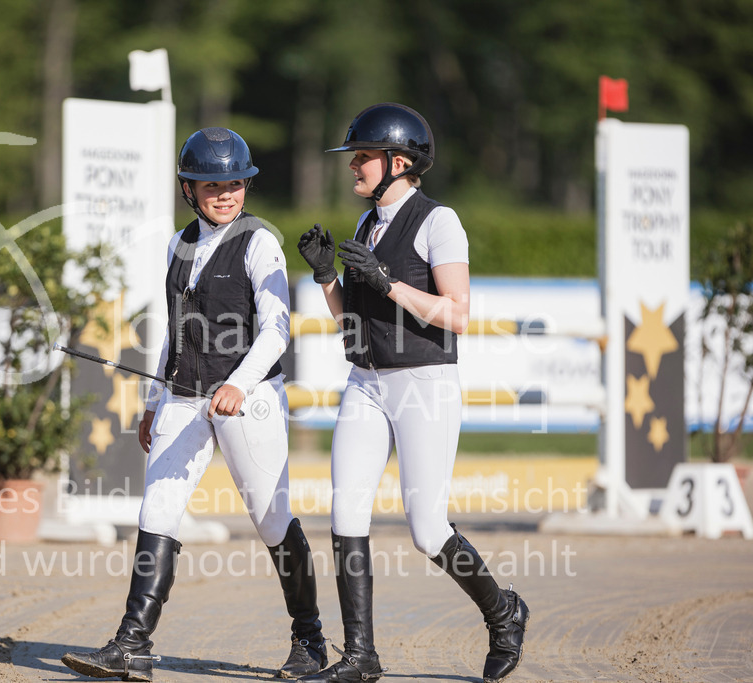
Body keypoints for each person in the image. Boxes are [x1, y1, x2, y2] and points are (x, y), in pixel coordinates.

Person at [62, 127, 327, 681]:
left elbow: (278, 330)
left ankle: (311, 640)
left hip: (247, 400)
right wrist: (156, 397)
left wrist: (242, 383)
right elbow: (174, 331)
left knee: (271, 518)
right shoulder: (178, 243)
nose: (226, 194)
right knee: (156, 508)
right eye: (213, 186)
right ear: (189, 189)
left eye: (235, 183)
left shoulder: (260, 242)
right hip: (184, 394)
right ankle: (133, 643)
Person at [295, 103, 529, 683]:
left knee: (426, 528)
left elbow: (458, 314)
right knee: (345, 511)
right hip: (366, 382)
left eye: (363, 157)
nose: (353, 165)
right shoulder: (364, 225)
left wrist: (387, 281)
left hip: (423, 383)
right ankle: (360, 656)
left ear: (399, 162)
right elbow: (353, 325)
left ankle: (503, 614)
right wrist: (329, 278)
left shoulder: (438, 221)